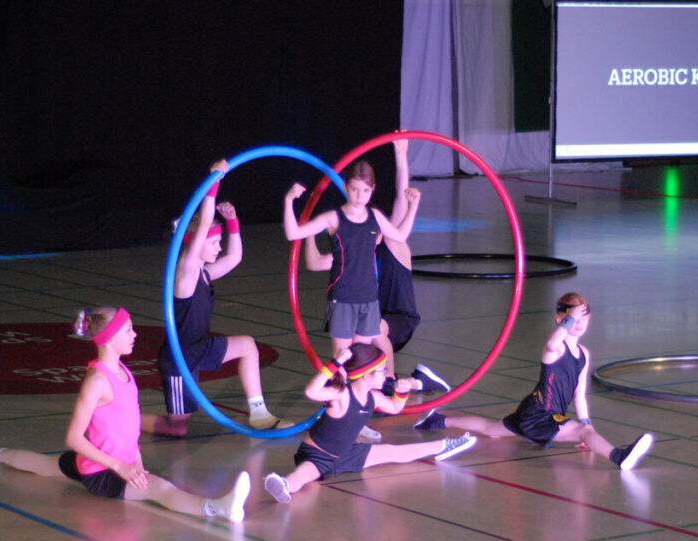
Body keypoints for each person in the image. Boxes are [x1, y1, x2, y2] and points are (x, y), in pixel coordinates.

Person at [0, 307, 250, 522]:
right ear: (111, 338)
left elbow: (128, 424)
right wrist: (120, 467)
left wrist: (136, 457)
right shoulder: (97, 382)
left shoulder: (125, 372)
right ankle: (217, 508)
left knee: (45, 466)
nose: (135, 334)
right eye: (128, 330)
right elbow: (74, 438)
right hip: (102, 472)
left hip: (108, 463)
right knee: (160, 488)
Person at [415, 292, 654, 470]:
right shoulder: (555, 349)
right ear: (560, 319)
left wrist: (588, 423)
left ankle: (437, 420)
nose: (579, 323)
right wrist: (568, 320)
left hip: (534, 408)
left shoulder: (583, 354)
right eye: (572, 318)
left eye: (584, 318)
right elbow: (551, 343)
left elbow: (579, 395)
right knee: (580, 432)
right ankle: (618, 457)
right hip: (540, 413)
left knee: (492, 430)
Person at [148, 159, 292, 437]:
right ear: (196, 244)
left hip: (199, 347)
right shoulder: (186, 271)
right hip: (179, 358)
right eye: (214, 243)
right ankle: (128, 420)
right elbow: (202, 225)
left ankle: (259, 414)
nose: (219, 247)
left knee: (248, 345)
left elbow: (235, 257)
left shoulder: (204, 273)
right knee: (177, 429)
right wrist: (215, 179)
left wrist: (233, 222)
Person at [302, 138, 451, 398]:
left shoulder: (395, 248)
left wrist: (401, 154)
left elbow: (401, 199)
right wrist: (308, 231)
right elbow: (314, 263)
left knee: (377, 327)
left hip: (398, 319)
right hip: (363, 316)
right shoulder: (354, 253)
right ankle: (371, 390)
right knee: (346, 348)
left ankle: (389, 384)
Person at [263, 343, 477, 503]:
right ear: (366, 375)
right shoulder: (342, 394)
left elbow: (394, 408)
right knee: (304, 475)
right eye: (383, 370)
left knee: (395, 452)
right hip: (317, 455)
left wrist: (402, 393)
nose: (387, 373)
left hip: (346, 453)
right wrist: (335, 363)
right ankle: (284, 484)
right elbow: (312, 391)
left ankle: (446, 445)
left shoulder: (373, 397)